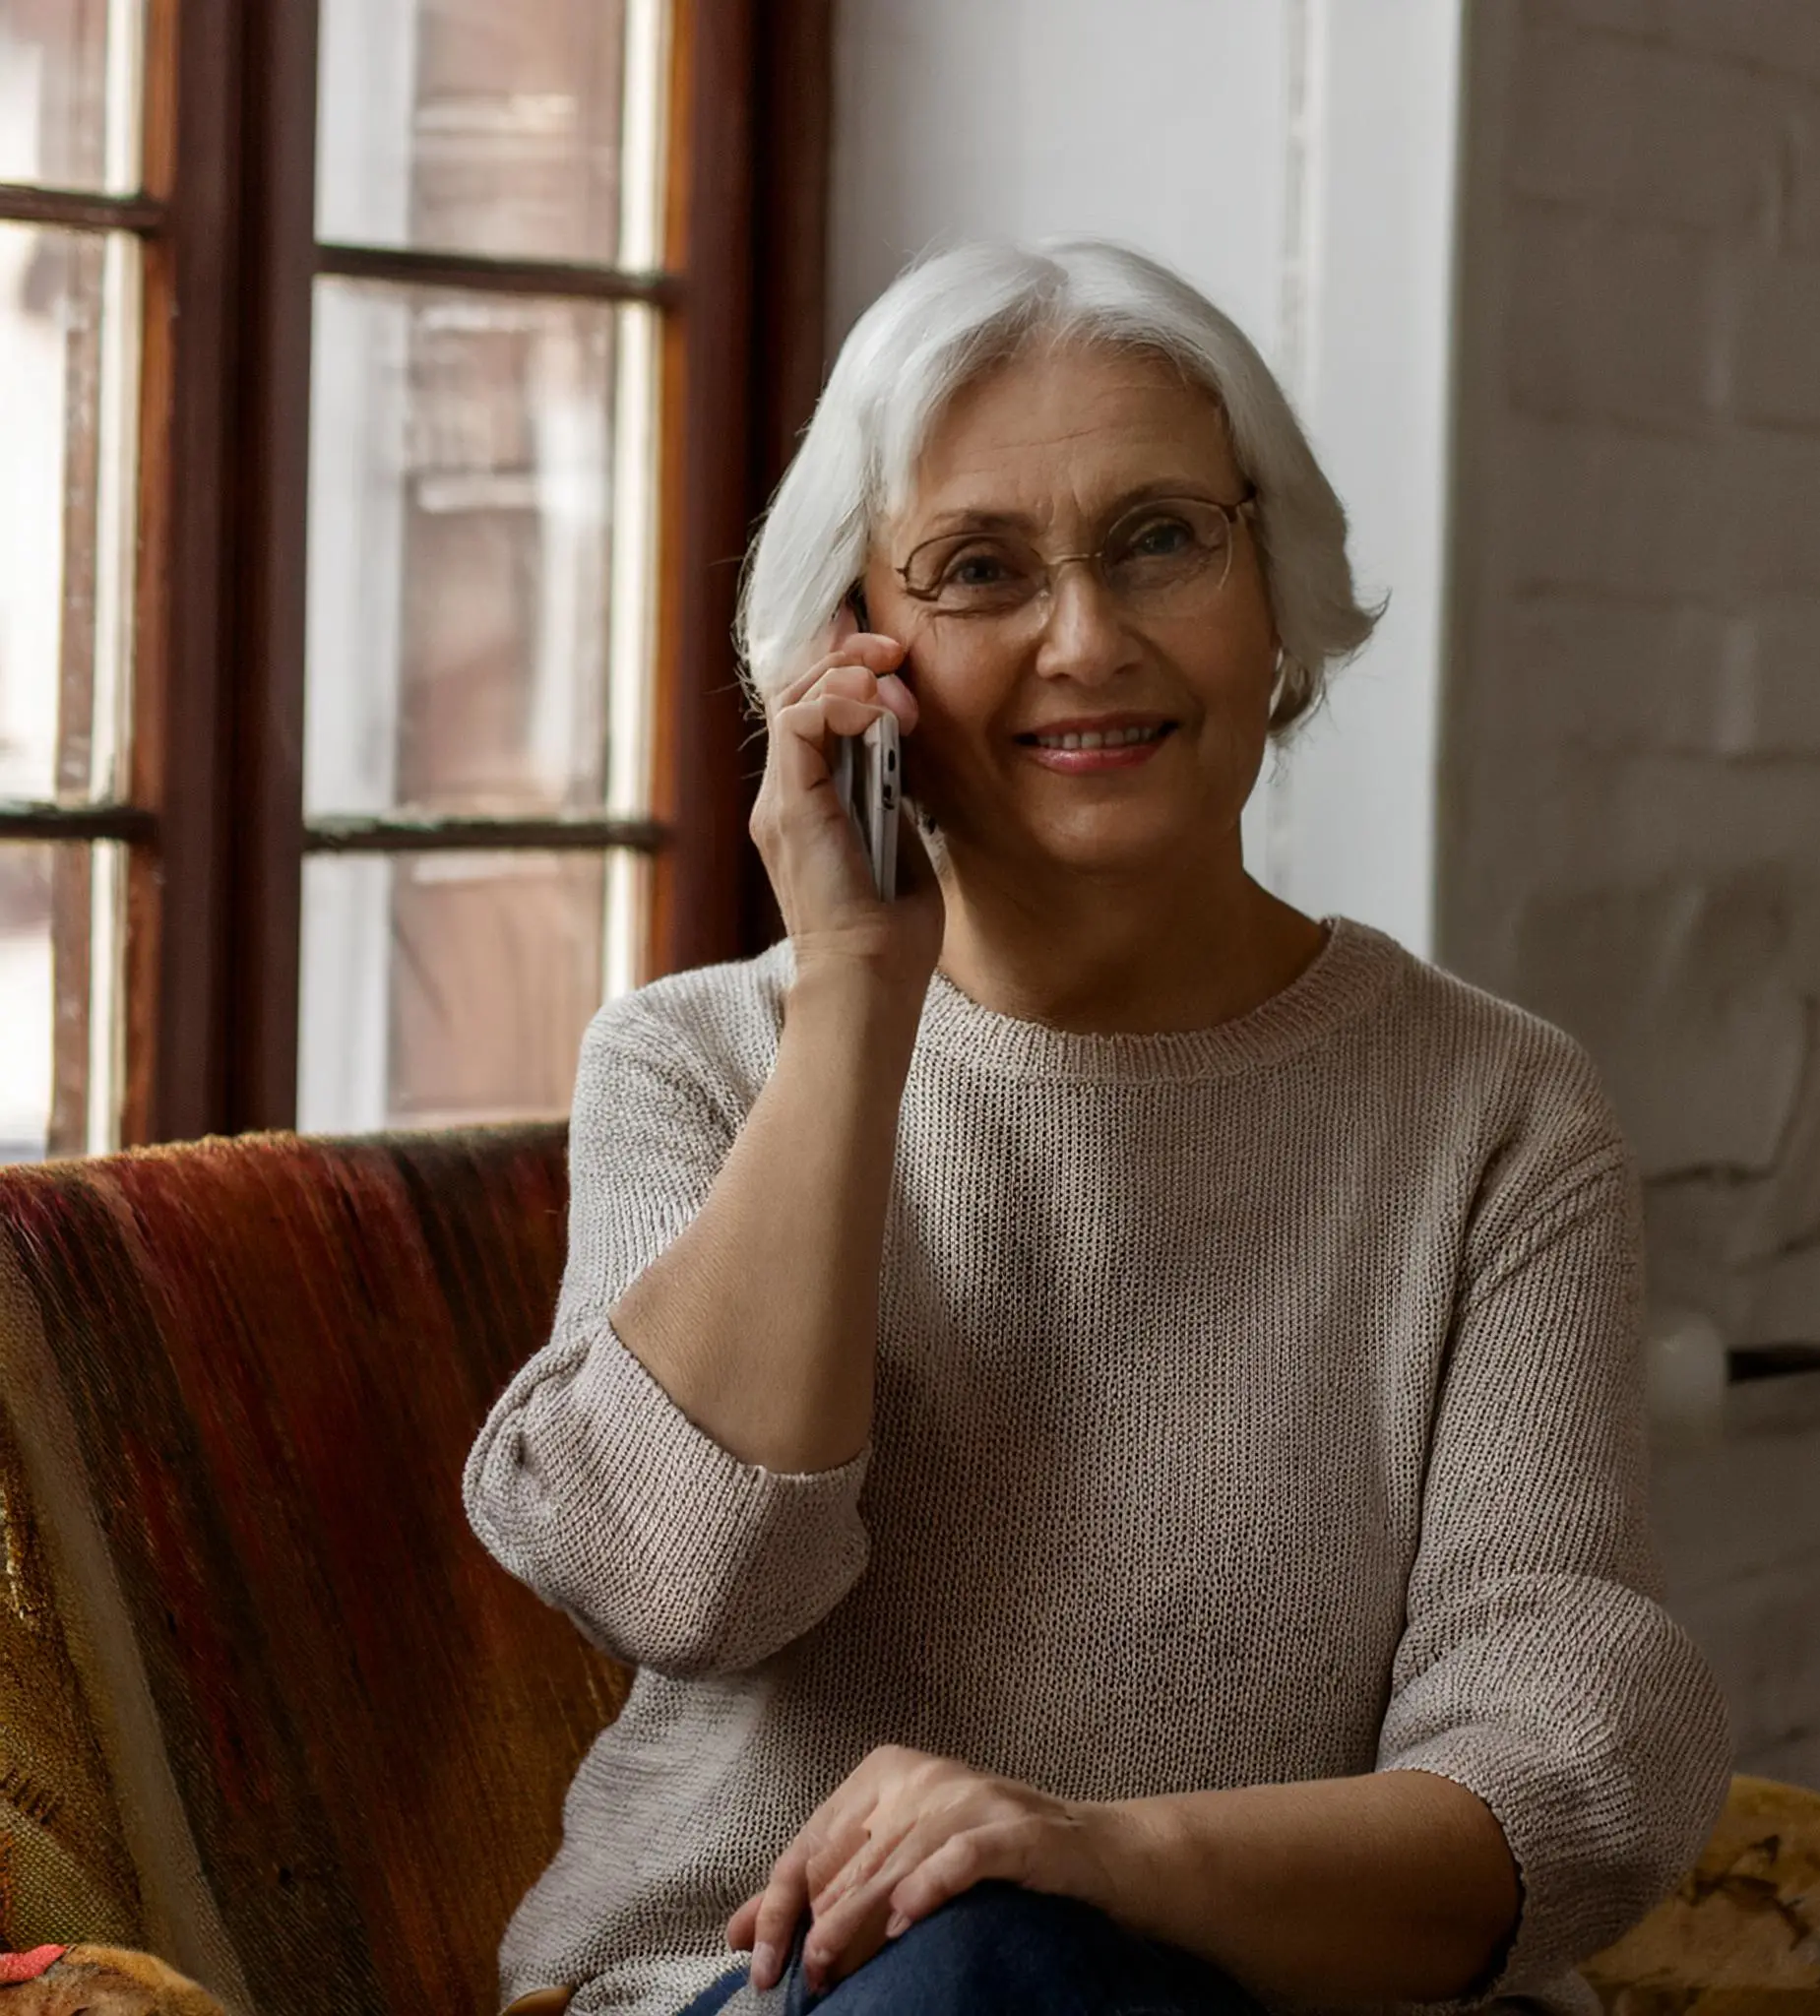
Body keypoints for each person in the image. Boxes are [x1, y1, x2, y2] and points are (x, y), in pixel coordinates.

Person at [464, 237, 1732, 2016]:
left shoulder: (1496, 1118)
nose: (1088, 640)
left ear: (1273, 580)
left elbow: (1568, 1778)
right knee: (976, 1970)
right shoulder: (692, 1066)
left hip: (1253, 1992)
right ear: (860, 652)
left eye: (1160, 540)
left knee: (1035, 1946)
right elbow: (683, 1578)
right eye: (979, 571)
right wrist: (851, 991)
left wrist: (1093, 1851)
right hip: (763, 1997)